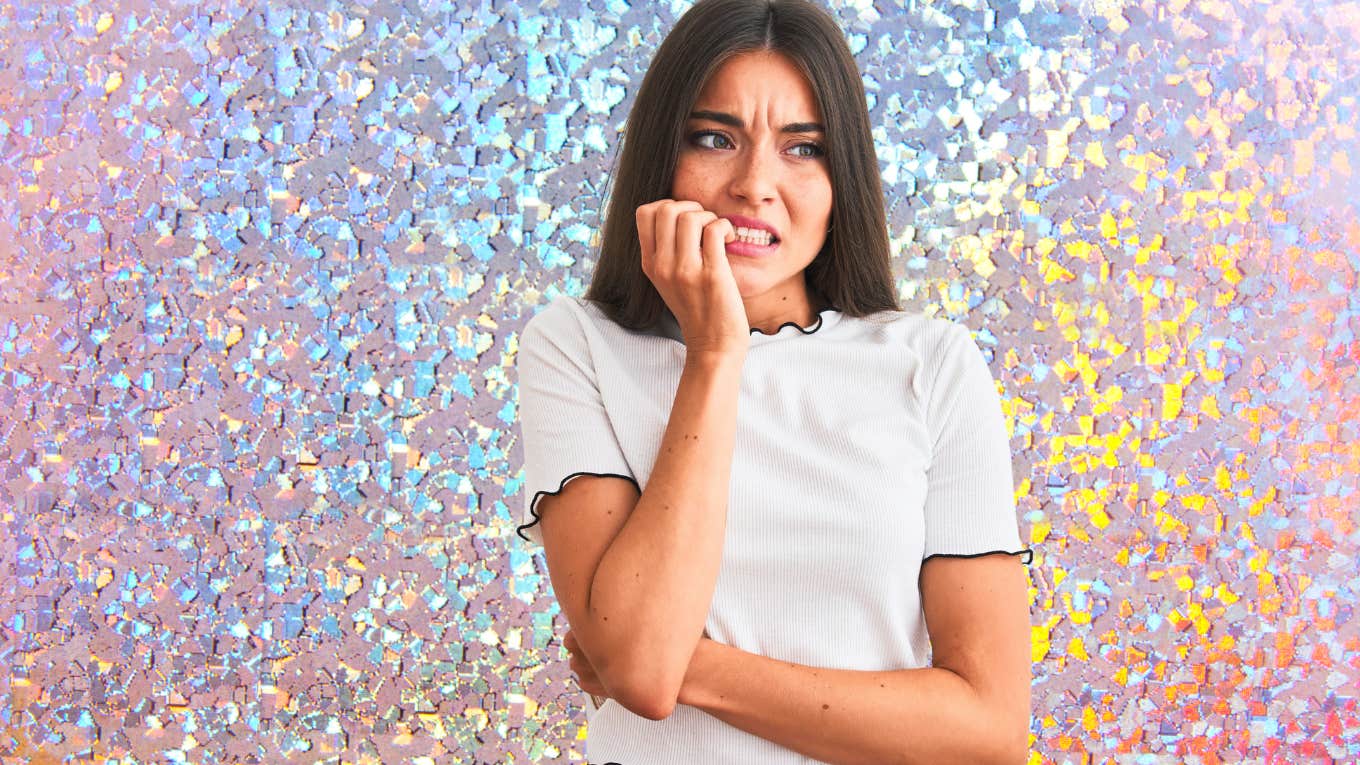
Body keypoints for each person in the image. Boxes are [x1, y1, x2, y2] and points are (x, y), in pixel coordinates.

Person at [513, 0, 1034, 762]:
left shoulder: (933, 364)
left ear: (840, 181)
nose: (755, 185)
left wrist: (687, 664)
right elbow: (642, 679)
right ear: (662, 156)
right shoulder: (578, 345)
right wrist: (716, 355)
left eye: (804, 148)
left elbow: (987, 728)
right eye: (715, 138)